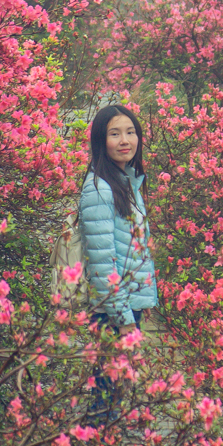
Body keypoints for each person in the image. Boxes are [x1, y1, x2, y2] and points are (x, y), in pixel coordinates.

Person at [77, 104, 157, 419]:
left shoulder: (125, 181)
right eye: (114, 134)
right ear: (101, 141)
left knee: (113, 392)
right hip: (112, 309)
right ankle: (93, 445)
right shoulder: (100, 188)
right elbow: (102, 264)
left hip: (123, 303)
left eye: (130, 132)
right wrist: (123, 318)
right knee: (105, 398)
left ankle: (99, 443)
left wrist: (141, 300)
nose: (125, 140)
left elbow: (130, 249)